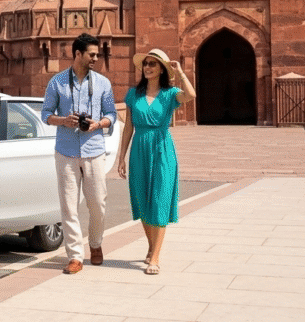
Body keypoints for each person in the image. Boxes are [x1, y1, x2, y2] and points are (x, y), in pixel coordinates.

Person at [41, 33, 117, 274]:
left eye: (96, 54)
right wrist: (64, 120)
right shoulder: (57, 82)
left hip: (94, 150)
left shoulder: (103, 83)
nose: (96, 57)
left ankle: (95, 244)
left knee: (98, 204)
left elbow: (112, 114)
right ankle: (75, 255)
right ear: (78, 54)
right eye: (92, 54)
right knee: (69, 206)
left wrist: (99, 124)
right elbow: (45, 114)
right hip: (66, 151)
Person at [116, 48, 195, 275]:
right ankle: (152, 247)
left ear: (161, 68)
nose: (148, 67)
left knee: (159, 200)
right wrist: (121, 156)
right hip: (139, 149)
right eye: (146, 64)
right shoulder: (134, 94)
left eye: (153, 64)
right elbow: (129, 126)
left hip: (162, 148)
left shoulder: (170, 94)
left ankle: (155, 257)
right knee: (143, 201)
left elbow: (191, 95)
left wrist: (179, 72)